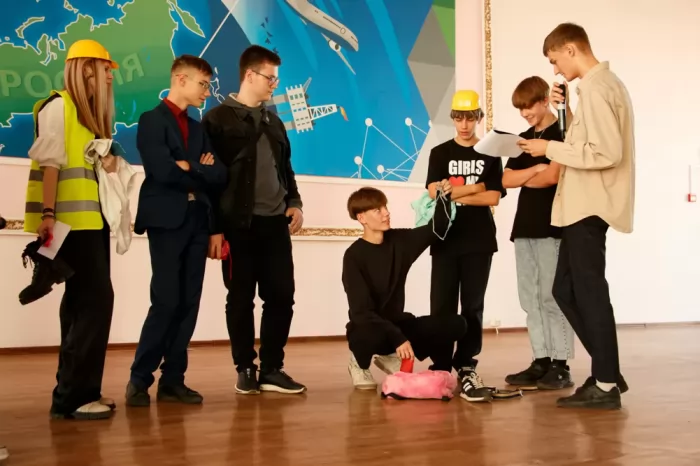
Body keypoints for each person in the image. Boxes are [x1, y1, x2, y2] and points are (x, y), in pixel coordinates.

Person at [518, 22, 634, 409]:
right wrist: (565, 111)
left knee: (589, 292)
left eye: (555, 60)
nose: (554, 69)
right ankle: (608, 372)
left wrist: (547, 149)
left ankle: (606, 383)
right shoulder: (594, 89)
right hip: (580, 206)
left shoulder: (599, 89)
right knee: (565, 289)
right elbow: (587, 142)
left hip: (589, 205)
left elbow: (605, 153)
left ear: (571, 49)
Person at [23, 39, 121, 420]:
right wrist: (47, 216)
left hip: (92, 223)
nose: (110, 76)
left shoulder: (87, 117)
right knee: (93, 304)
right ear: (85, 69)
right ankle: (73, 397)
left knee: (84, 306)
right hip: (69, 225)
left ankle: (78, 392)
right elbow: (50, 166)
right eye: (105, 69)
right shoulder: (58, 107)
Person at [202, 45, 306, 395]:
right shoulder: (216, 120)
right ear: (250, 75)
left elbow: (286, 169)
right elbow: (208, 181)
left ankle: (272, 368)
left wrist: (294, 203)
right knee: (240, 298)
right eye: (270, 78)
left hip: (275, 224)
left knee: (282, 296)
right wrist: (214, 229)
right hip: (237, 226)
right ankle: (245, 367)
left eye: (276, 79)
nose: (275, 84)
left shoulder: (274, 122)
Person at [126, 55, 227, 407]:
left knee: (188, 303)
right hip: (166, 221)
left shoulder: (199, 129)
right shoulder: (151, 120)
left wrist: (189, 166)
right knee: (166, 301)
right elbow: (161, 170)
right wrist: (199, 169)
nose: (207, 92)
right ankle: (139, 379)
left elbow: (220, 175)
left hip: (198, 220)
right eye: (203, 84)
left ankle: (173, 381)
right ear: (181, 79)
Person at [342, 185, 468, 389]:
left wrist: (443, 196)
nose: (386, 213)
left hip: (397, 323)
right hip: (368, 327)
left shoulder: (399, 241)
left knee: (457, 324)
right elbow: (361, 312)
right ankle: (359, 362)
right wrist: (398, 339)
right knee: (367, 332)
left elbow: (437, 229)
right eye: (378, 210)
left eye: (385, 207)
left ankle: (389, 355)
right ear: (361, 217)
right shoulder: (353, 256)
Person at [425, 90, 507, 402]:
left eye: (470, 118)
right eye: (459, 118)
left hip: (479, 240)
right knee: (441, 305)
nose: (464, 124)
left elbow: (493, 197)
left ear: (478, 118)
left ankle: (466, 363)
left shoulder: (490, 154)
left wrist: (455, 190)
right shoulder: (440, 153)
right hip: (445, 238)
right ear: (452, 118)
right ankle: (441, 364)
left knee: (472, 306)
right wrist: (476, 187)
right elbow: (433, 192)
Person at [502, 76, 575, 391]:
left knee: (551, 296)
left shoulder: (561, 134)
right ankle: (541, 359)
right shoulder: (523, 139)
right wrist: (534, 169)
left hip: (552, 227)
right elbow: (506, 180)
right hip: (524, 228)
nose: (524, 114)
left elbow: (553, 177)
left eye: (528, 107)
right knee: (529, 298)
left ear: (545, 101)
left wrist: (530, 175)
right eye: (520, 109)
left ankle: (561, 364)